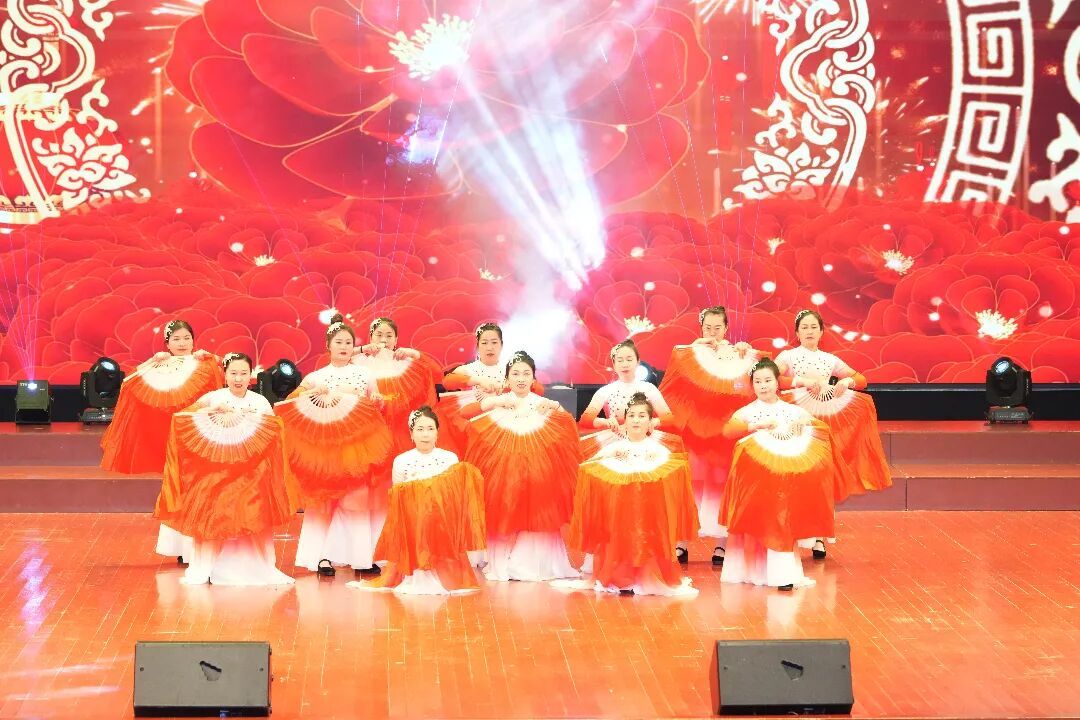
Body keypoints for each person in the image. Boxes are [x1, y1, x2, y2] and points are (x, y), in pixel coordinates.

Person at [156, 352, 297, 586]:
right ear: (225, 374)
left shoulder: (259, 402)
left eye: (243, 373)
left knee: (250, 512)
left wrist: (253, 421)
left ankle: (250, 566)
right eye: (233, 373)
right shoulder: (213, 398)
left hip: (251, 472)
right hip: (217, 470)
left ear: (251, 375)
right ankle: (209, 565)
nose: (238, 378)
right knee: (215, 511)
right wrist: (208, 413)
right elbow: (183, 418)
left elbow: (274, 434)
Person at [275, 315, 393, 574]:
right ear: (328, 345)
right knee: (324, 501)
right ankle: (321, 557)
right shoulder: (317, 376)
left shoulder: (364, 374)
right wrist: (309, 393)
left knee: (357, 500)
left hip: (357, 444)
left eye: (348, 342)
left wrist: (377, 400)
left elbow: (377, 404)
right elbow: (291, 402)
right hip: (324, 446)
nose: (344, 347)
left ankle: (361, 557)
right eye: (338, 342)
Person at [100, 319, 222, 563]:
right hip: (175, 440)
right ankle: (182, 548)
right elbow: (130, 384)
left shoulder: (205, 364)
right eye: (176, 339)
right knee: (176, 488)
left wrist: (214, 358)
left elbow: (226, 379)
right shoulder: (160, 367)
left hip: (201, 437)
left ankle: (204, 545)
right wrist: (151, 362)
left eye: (186, 338)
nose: (182, 343)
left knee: (203, 488)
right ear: (167, 343)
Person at [774, 309, 892, 559]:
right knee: (794, 472)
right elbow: (772, 378)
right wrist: (801, 382)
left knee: (822, 475)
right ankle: (790, 529)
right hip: (795, 419)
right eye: (804, 327)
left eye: (813, 327)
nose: (809, 332)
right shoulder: (788, 356)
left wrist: (846, 382)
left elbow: (861, 380)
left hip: (823, 419)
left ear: (821, 332)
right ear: (797, 332)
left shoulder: (830, 360)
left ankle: (819, 535)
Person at [719, 359, 846, 590]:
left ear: (777, 382)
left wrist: (805, 423)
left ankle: (783, 576)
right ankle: (756, 571)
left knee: (780, 524)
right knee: (761, 523)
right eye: (758, 382)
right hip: (757, 483)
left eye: (768, 380)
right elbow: (728, 431)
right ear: (752, 385)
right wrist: (754, 427)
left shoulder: (793, 411)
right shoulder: (747, 412)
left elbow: (821, 430)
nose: (763, 385)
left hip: (785, 484)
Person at [567, 392, 699, 596]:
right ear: (625, 421)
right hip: (620, 512)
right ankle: (619, 576)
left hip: (648, 515)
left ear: (650, 421)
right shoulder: (614, 448)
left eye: (642, 416)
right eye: (632, 416)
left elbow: (670, 482)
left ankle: (648, 575)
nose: (636, 420)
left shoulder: (659, 450)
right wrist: (612, 459)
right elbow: (591, 471)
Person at [464, 351, 581, 582]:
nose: (521, 378)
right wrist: (494, 401)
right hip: (505, 470)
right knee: (504, 506)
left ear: (533, 378)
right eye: (515, 374)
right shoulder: (501, 401)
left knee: (537, 508)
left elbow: (567, 427)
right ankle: (503, 561)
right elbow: (465, 414)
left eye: (526, 374)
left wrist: (557, 407)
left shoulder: (542, 403)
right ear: (507, 378)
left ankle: (534, 563)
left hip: (537, 470)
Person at [348, 407, 485, 595]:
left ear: (437, 432)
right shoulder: (402, 460)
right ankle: (418, 571)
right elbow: (398, 497)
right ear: (411, 434)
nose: (425, 434)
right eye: (420, 429)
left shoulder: (449, 458)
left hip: (442, 522)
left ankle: (442, 571)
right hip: (412, 523)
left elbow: (453, 496)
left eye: (430, 429)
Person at [658, 306, 756, 566]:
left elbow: (748, 384)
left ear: (726, 328)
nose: (712, 333)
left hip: (723, 432)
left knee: (721, 485)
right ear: (701, 328)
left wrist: (746, 353)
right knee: (690, 484)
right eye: (708, 328)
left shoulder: (736, 353)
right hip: (694, 431)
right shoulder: (690, 352)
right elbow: (674, 381)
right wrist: (693, 349)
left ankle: (722, 543)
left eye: (718, 328)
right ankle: (681, 542)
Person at [438, 322, 543, 455]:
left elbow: (538, 389)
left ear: (501, 345)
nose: (489, 348)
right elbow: (447, 382)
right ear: (477, 346)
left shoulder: (511, 369)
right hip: (477, 416)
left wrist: (508, 386)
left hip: (507, 420)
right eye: (484, 343)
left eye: (494, 342)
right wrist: (478, 380)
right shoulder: (470, 369)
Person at [352, 317, 443, 456]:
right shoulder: (358, 363)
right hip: (371, 429)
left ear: (396, 340)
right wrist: (361, 349)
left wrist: (413, 353)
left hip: (401, 430)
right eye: (379, 335)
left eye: (389, 336)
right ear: (370, 338)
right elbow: (336, 358)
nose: (384, 340)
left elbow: (436, 372)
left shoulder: (406, 362)